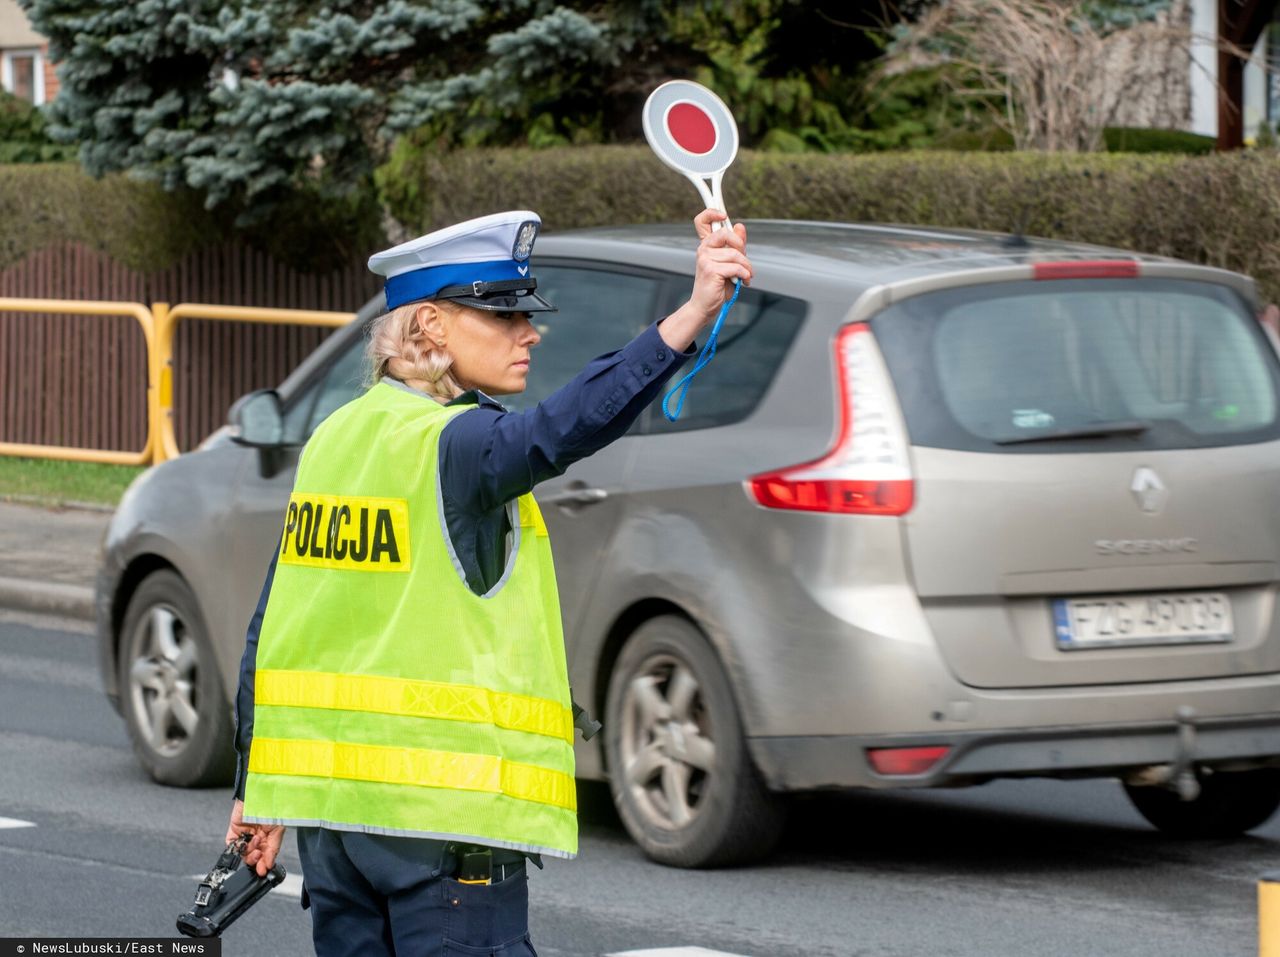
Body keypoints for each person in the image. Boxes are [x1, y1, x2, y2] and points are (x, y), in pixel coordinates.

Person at [223, 207, 752, 957]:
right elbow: (564, 427)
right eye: (503, 317)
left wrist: (256, 788)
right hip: (442, 834)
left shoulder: (334, 439)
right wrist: (694, 311)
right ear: (431, 326)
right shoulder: (457, 444)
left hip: (336, 834)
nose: (528, 333)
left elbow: (271, 629)